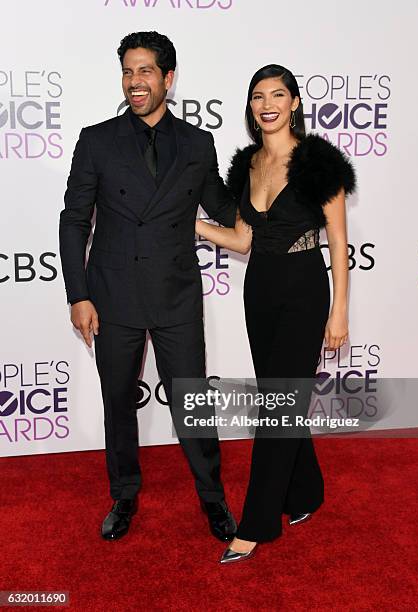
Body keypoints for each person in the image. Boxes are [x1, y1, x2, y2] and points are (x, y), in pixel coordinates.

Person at [59, 31, 237, 542]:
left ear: (168, 78)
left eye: (145, 71)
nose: (135, 82)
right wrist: (78, 294)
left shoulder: (198, 143)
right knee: (118, 400)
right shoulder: (96, 140)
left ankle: (212, 497)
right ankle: (124, 492)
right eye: (128, 71)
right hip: (112, 294)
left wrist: (271, 194)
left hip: (176, 292)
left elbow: (223, 207)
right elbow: (75, 221)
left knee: (193, 402)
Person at [195, 64, 356, 563]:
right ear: (250, 107)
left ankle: (258, 523)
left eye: (277, 95)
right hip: (259, 287)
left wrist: (339, 312)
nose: (268, 104)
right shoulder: (246, 165)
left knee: (277, 406)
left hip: (306, 288)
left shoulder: (317, 162)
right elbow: (244, 238)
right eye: (258, 96)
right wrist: (194, 225)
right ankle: (305, 490)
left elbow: (337, 241)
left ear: (294, 103)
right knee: (278, 398)